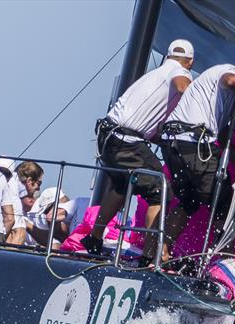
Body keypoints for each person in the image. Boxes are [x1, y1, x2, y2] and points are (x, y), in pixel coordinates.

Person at [82, 39, 194, 257]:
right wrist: (196, 96)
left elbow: (147, 123)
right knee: (160, 191)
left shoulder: (154, 74)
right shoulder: (180, 72)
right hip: (127, 141)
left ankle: (94, 238)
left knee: (122, 186)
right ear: (190, 62)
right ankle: (150, 254)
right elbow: (182, 87)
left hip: (108, 136)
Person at [159, 63, 235, 264]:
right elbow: (230, 81)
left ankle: (161, 253)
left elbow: (222, 133)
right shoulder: (231, 72)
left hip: (174, 142)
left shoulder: (225, 99)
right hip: (192, 141)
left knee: (190, 201)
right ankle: (225, 260)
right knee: (224, 199)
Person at [0, 156, 27, 245]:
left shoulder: (12, 193)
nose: (1, 175)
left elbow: (19, 232)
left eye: (6, 174)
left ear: (11, 177)